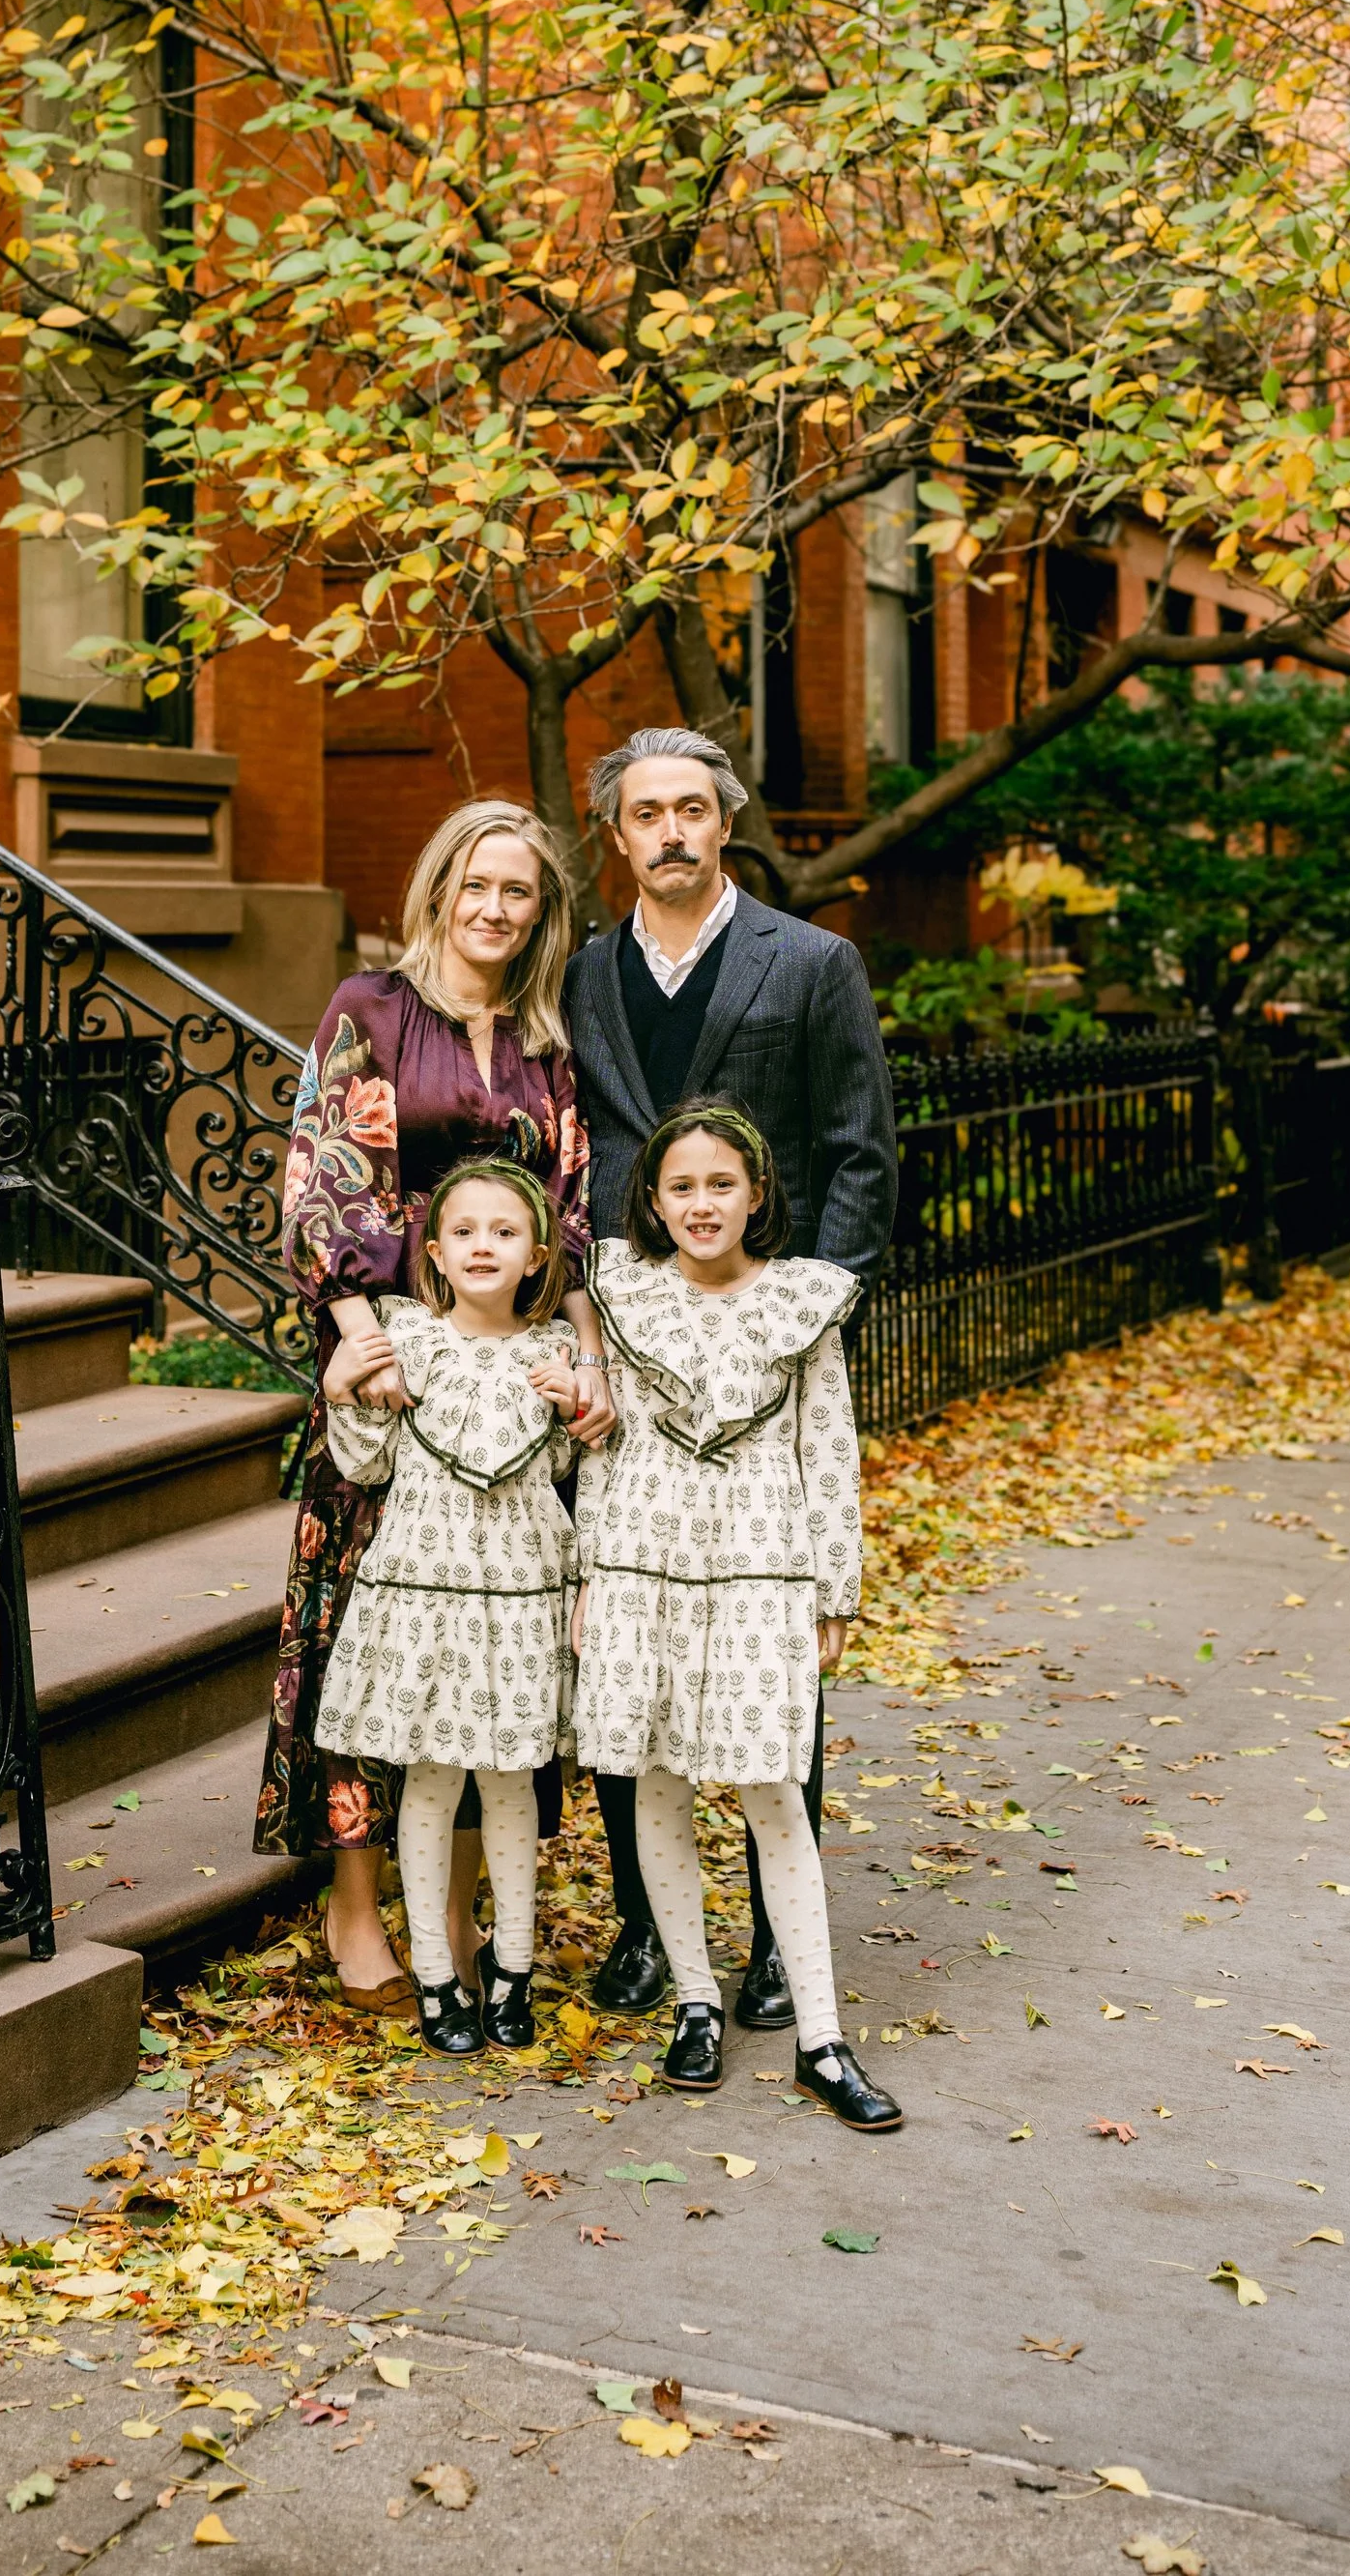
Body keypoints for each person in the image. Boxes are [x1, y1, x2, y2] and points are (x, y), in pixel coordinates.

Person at [562, 725, 896, 2028]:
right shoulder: (586, 972)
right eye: (647, 813)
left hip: (758, 1348)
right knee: (628, 1653)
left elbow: (859, 1152)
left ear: (726, 818)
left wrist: (807, 1319)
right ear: (618, 832)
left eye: (694, 808)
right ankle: (650, 1933)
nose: (673, 833)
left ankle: (772, 1941)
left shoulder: (811, 961)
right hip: (628, 1346)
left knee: (769, 1660)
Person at [254, 798, 610, 2008]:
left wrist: (587, 1357)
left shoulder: (544, 1049)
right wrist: (364, 1347)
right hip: (389, 1372)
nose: (495, 909)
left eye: (519, 891)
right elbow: (323, 1185)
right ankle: (357, 1912)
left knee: (489, 1664)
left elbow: (567, 1218)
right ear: (438, 888)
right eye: (477, 885)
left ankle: (453, 1918)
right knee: (371, 1651)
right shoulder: (372, 1012)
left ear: (541, 910)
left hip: (508, 1386)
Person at [574, 1100, 901, 2130]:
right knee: (658, 1783)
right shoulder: (625, 1298)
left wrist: (833, 1584)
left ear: (757, 1193)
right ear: (655, 1203)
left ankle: (820, 2037)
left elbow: (829, 1451)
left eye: (722, 1184)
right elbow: (600, 1446)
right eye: (682, 1187)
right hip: (642, 1558)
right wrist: (588, 1577)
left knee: (774, 1792)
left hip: (761, 1560)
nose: (702, 1203)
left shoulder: (801, 1303)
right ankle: (695, 2001)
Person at [314, 1158, 583, 2054]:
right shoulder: (404, 1339)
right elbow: (366, 1462)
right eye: (464, 1232)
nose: (483, 1247)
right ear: (433, 1251)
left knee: (511, 1785)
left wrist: (577, 1408)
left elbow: (565, 1473)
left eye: (505, 1233)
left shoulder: (559, 1357)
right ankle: (434, 1970)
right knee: (428, 1783)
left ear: (537, 1257)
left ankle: (511, 1965)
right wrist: (341, 1390)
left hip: (516, 1598)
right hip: (424, 1598)